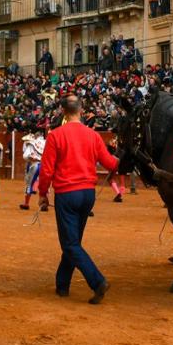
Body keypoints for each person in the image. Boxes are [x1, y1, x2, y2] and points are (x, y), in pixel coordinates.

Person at [38, 95, 118, 304]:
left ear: (63, 111)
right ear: (81, 110)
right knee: (73, 241)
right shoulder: (92, 135)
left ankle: (97, 280)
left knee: (70, 243)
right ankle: (62, 284)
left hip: (67, 193)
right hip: (87, 194)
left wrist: (42, 194)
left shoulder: (56, 135)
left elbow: (46, 170)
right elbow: (110, 163)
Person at [20, 129, 46, 211]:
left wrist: (32, 158)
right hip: (45, 166)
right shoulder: (47, 142)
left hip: (35, 165)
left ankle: (26, 203)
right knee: (45, 186)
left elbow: (26, 155)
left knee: (29, 184)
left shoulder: (32, 143)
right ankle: (44, 204)